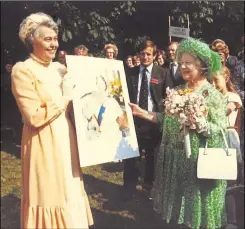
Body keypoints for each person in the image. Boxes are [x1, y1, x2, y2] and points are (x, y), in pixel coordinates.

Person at [128, 39, 228, 229]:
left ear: (202, 65)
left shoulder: (211, 95)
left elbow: (221, 130)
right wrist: (143, 113)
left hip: (196, 164)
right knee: (179, 216)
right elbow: (168, 120)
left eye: (188, 62)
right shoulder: (178, 91)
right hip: (174, 161)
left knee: (195, 216)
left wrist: (201, 124)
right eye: (181, 62)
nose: (182, 66)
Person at [11, 12, 93, 228]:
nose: (54, 44)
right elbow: (33, 115)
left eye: (55, 39)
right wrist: (64, 97)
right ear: (32, 41)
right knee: (50, 193)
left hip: (67, 139)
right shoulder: (23, 70)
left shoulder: (60, 69)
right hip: (43, 143)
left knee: (70, 189)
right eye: (47, 39)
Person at [123, 40, 173, 200]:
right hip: (133, 121)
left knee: (152, 156)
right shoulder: (130, 73)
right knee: (131, 157)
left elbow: (169, 97)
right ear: (139, 54)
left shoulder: (163, 73)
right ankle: (128, 189)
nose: (145, 57)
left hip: (153, 121)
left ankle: (149, 187)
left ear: (155, 55)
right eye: (142, 53)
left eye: (148, 54)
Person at [212, 66, 244, 229]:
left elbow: (228, 109)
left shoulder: (233, 96)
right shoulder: (211, 95)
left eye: (216, 80)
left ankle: (231, 221)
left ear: (225, 78)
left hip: (227, 139)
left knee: (229, 181)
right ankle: (216, 218)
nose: (213, 84)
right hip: (213, 138)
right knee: (215, 180)